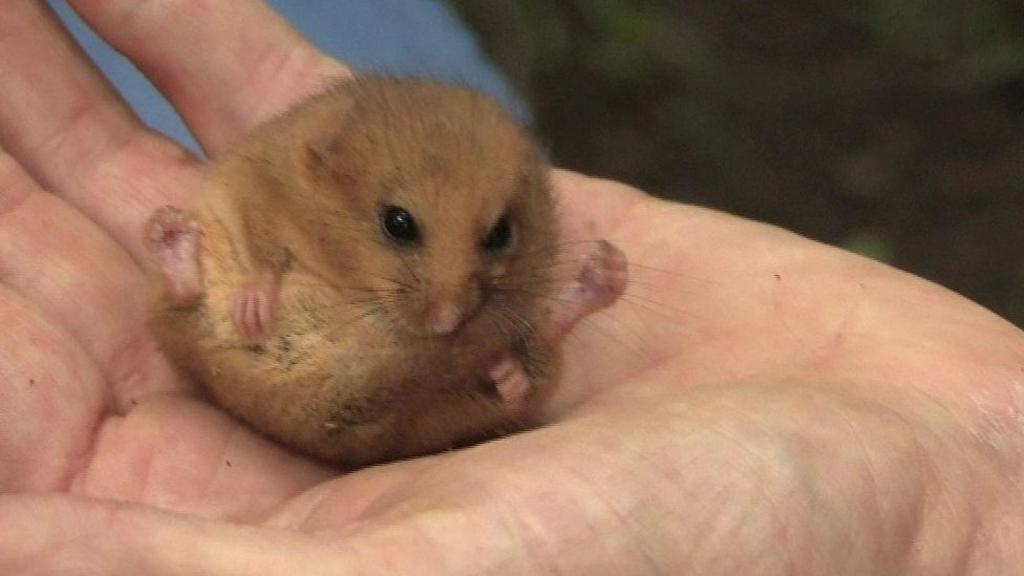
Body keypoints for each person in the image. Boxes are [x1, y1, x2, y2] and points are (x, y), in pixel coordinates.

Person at [0, 2, 1020, 573]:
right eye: (402, 230)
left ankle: (503, 330)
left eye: (491, 238)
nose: (448, 295)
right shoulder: (301, 163)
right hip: (284, 361)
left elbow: (478, 308)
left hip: (394, 405)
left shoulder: (503, 252)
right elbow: (255, 204)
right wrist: (255, 269)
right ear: (331, 170)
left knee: (503, 369)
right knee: (228, 298)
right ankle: (202, 286)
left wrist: (972, 486)